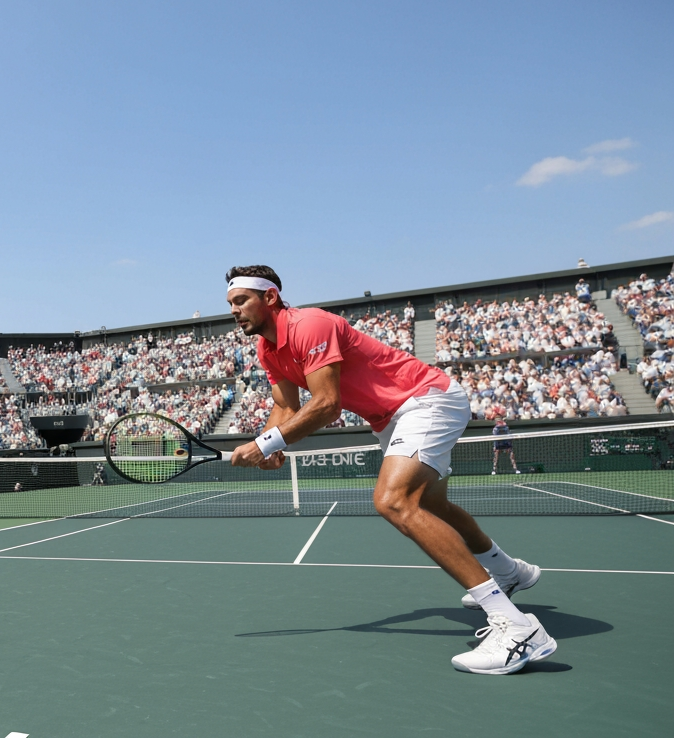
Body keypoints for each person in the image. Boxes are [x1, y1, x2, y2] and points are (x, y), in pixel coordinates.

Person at [223, 265, 555, 675]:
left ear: (269, 297)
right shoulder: (266, 348)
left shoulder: (309, 324)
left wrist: (264, 444)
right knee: (432, 507)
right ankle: (509, 571)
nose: (234, 311)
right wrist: (270, 442)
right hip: (392, 418)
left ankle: (516, 629)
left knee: (393, 500)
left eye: (241, 301)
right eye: (231, 304)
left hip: (426, 400)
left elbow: (326, 404)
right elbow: (287, 406)